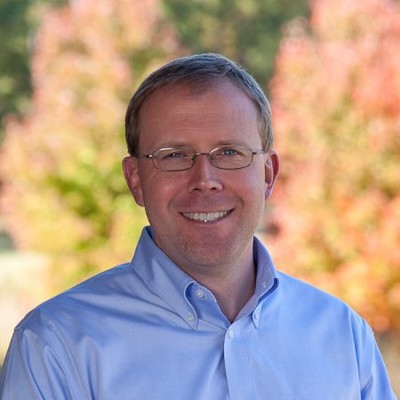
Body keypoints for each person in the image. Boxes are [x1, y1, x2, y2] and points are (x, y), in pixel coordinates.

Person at [0, 53, 396, 400]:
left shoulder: (343, 335)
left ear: (268, 174)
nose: (205, 179)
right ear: (135, 180)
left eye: (229, 152)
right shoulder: (55, 347)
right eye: (174, 155)